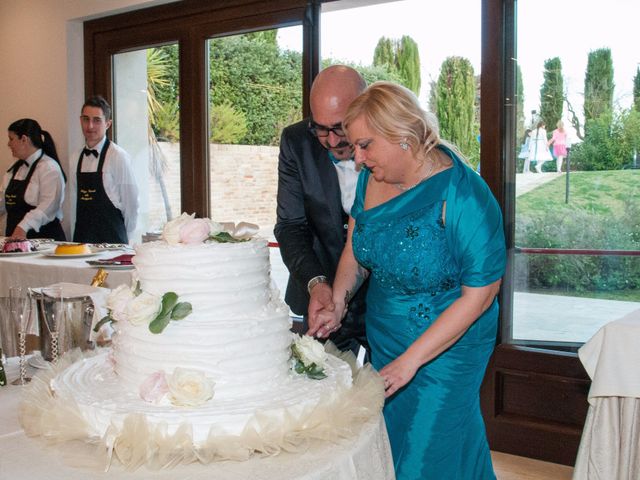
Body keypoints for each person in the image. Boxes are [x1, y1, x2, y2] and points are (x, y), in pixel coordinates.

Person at [311, 82, 506, 479]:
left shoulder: (464, 195)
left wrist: (410, 362)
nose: (358, 160)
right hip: (387, 338)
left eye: (365, 145)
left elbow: (481, 297)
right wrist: (340, 299)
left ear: (402, 136)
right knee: (403, 447)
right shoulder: (370, 181)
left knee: (423, 455)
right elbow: (357, 246)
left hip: (448, 345)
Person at [274, 65, 369, 357]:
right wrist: (316, 283)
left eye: (340, 128)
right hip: (320, 300)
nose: (331, 141)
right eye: (320, 128)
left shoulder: (390, 146)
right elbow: (290, 226)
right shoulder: (296, 142)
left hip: (384, 300)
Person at [68, 95, 139, 243]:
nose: (90, 126)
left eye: (97, 120)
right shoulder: (75, 157)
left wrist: (126, 238)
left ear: (108, 124)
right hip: (82, 240)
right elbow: (73, 202)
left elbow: (131, 204)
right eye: (86, 119)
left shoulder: (118, 156)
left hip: (112, 240)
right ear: (80, 120)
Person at [1, 119, 66, 240]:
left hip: (44, 242)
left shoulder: (49, 168)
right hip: (16, 242)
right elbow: (2, 201)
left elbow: (49, 206)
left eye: (11, 139)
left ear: (24, 139)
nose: (8, 144)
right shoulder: (13, 169)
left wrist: (23, 226)